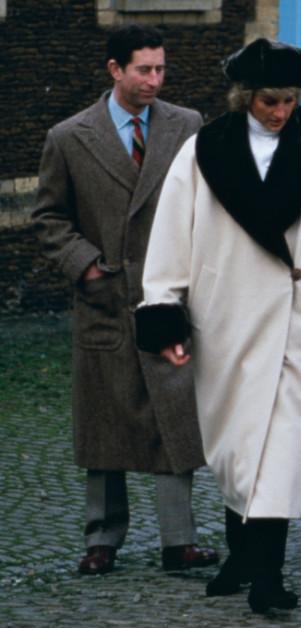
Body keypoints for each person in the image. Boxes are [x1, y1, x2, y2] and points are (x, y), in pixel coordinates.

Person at [134, 38, 301, 614]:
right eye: (268, 100)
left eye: (289, 100)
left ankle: (268, 576)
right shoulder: (204, 149)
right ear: (244, 97)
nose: (280, 112)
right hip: (225, 315)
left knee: (282, 448)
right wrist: (165, 311)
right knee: (237, 447)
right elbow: (172, 232)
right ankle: (241, 554)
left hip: (297, 317)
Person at [31, 24, 217, 576]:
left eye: (161, 69)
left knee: (173, 416)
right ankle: (102, 539)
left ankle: (178, 540)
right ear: (115, 69)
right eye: (144, 70)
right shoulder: (69, 137)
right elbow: (47, 217)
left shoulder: (187, 127)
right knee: (103, 424)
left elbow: (204, 205)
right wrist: (85, 263)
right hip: (105, 298)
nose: (155, 80)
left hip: (168, 296)